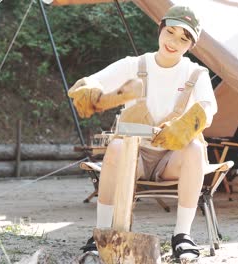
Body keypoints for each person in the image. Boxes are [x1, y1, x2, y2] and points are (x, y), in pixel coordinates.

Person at [68, 5, 217, 260]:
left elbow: (208, 106)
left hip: (171, 161)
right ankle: (101, 234)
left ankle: (182, 236)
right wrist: (90, 90)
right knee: (115, 146)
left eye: (184, 38)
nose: (174, 42)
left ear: (191, 45)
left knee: (194, 148)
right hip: (132, 158)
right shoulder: (134, 65)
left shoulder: (195, 73)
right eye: (170, 32)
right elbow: (96, 81)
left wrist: (186, 125)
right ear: (160, 28)